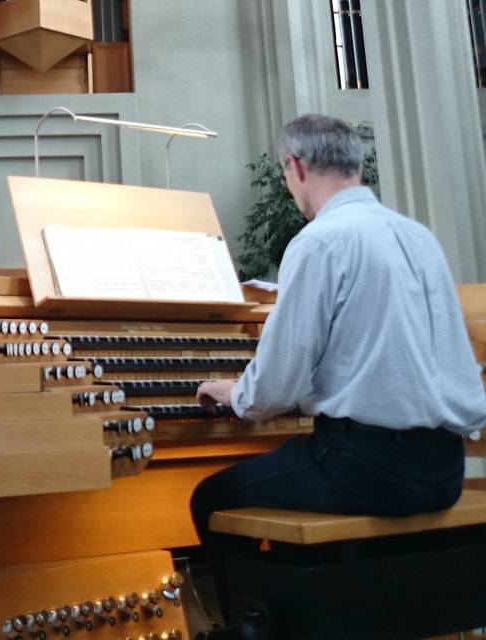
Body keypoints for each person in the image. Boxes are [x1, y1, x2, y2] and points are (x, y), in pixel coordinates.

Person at [191, 114, 486, 621]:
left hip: (366, 470)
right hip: (444, 469)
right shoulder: (418, 237)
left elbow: (273, 390)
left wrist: (232, 391)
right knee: (294, 476)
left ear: (296, 165)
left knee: (210, 498)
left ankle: (250, 624)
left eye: (286, 177)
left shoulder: (319, 241)